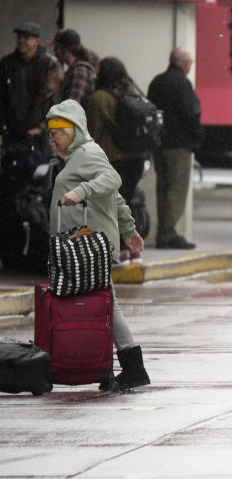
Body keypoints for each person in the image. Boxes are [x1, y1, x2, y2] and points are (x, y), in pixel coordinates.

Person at [46, 98, 150, 391]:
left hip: (88, 245)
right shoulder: (78, 156)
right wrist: (129, 230)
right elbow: (114, 198)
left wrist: (81, 190)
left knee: (104, 303)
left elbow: (112, 180)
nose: (53, 137)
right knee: (103, 303)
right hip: (85, 244)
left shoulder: (87, 154)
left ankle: (126, 367)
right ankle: (115, 366)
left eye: (59, 131)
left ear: (76, 129)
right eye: (50, 132)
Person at [87, 57, 150, 262]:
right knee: (129, 202)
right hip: (136, 158)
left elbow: (93, 132)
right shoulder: (132, 94)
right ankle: (135, 251)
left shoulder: (99, 98)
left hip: (113, 159)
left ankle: (122, 251)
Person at [147, 47, 202, 250]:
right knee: (176, 189)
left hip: (159, 143)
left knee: (163, 187)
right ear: (185, 64)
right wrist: (198, 137)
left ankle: (164, 231)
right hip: (179, 144)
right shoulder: (183, 84)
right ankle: (168, 233)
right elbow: (191, 113)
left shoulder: (157, 81)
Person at [0, 22, 60, 186]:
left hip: (40, 138)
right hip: (12, 137)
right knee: (11, 185)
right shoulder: (7, 64)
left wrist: (42, 127)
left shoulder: (49, 65)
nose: (21, 41)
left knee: (38, 185)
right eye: (19, 37)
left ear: (37, 41)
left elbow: (56, 103)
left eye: (27, 37)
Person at [52, 29, 98, 108]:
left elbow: (71, 107)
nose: (55, 52)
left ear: (65, 50)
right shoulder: (72, 70)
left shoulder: (80, 72)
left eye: (56, 48)